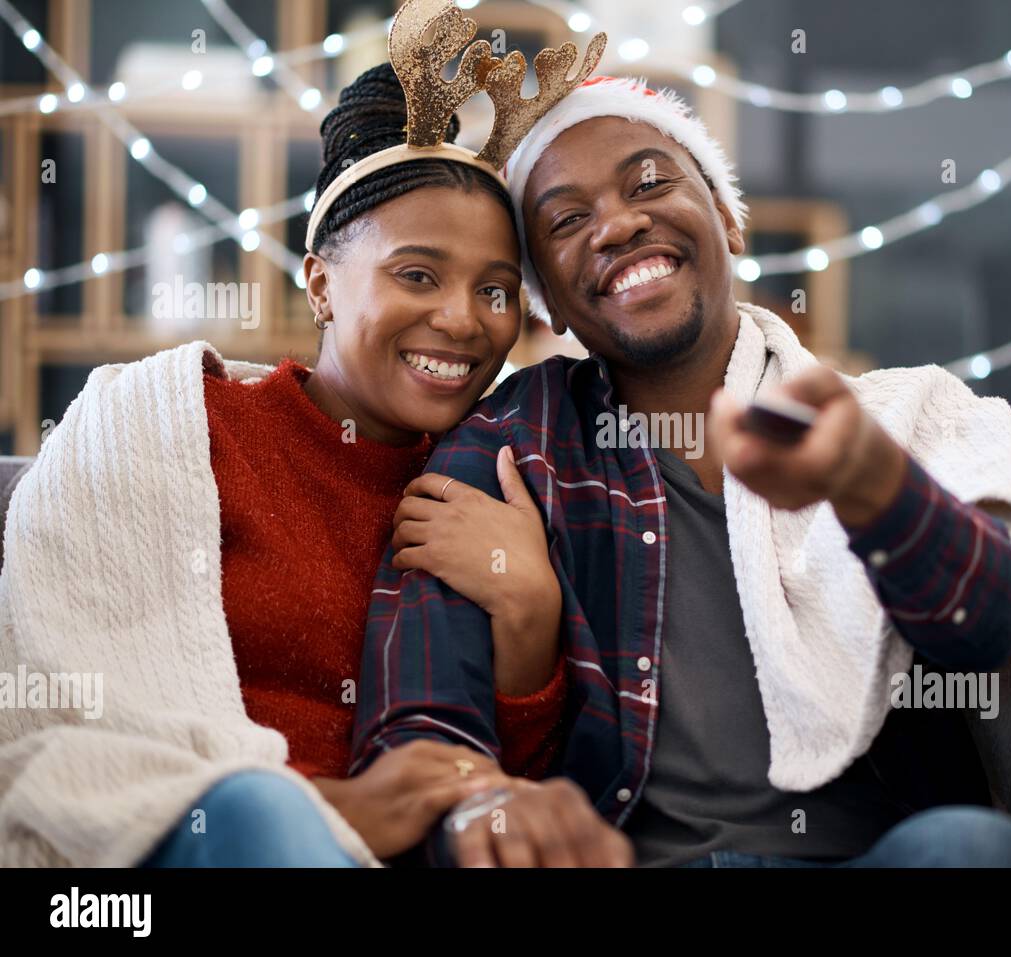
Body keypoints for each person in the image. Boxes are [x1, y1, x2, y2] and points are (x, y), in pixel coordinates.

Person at [354, 74, 1011, 868]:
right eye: (568, 220)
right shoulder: (508, 447)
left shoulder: (890, 418)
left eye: (649, 181)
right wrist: (480, 802)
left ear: (727, 216)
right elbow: (419, 722)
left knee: (974, 848)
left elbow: (989, 631)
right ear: (545, 299)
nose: (617, 224)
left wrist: (871, 487)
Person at [0, 47, 629, 869]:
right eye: (417, 273)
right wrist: (340, 807)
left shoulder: (508, 474)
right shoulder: (180, 427)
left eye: (495, 289)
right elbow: (89, 728)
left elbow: (499, 791)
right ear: (321, 282)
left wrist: (530, 615)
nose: (464, 319)